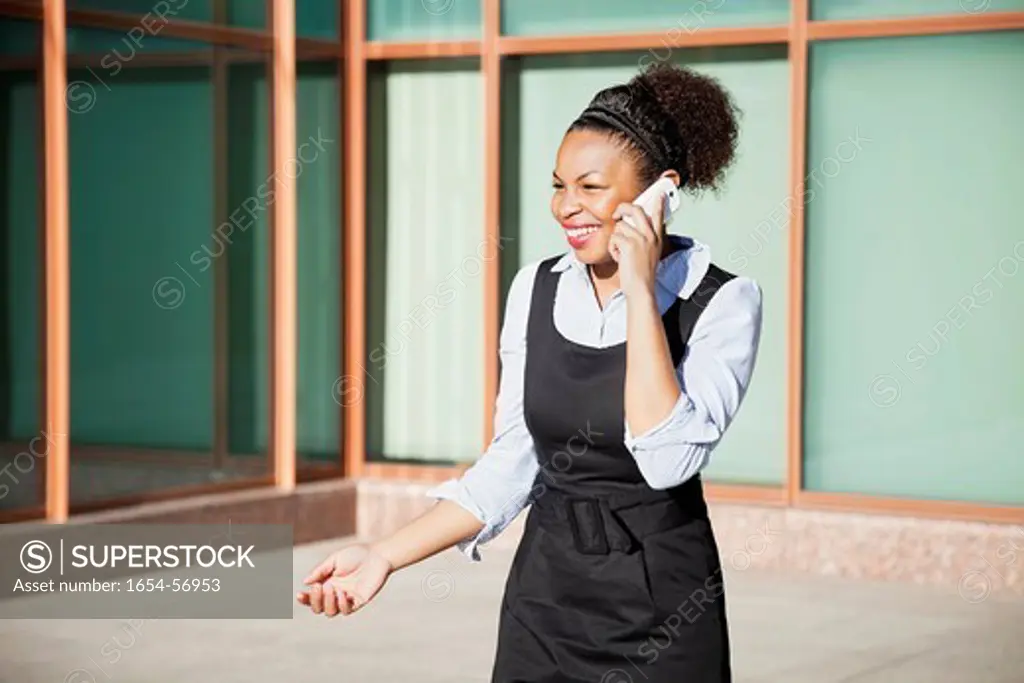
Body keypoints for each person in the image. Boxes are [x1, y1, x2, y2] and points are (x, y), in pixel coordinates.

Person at [297, 61, 762, 683]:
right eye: (558, 186)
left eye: (591, 188)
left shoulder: (724, 302)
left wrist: (639, 285)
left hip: (662, 607)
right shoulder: (535, 289)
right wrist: (383, 556)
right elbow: (511, 464)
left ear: (662, 192)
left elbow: (665, 459)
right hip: (545, 603)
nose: (567, 208)